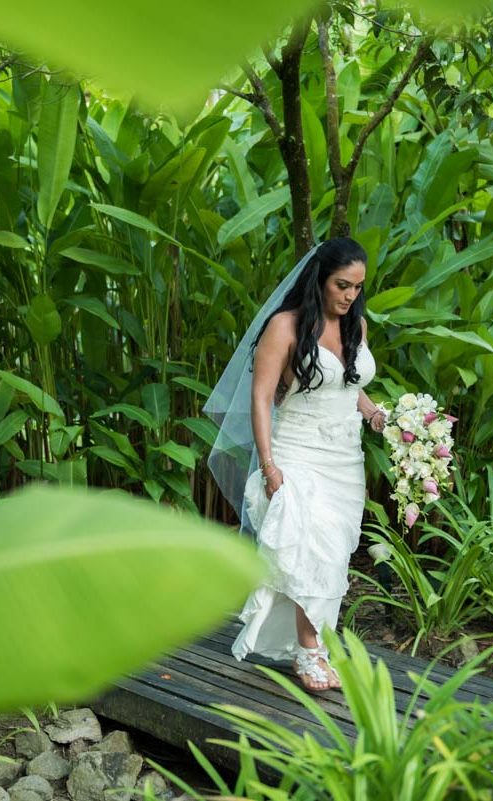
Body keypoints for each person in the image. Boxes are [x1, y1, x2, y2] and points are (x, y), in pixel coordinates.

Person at [204, 237, 385, 692]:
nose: (350, 296)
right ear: (319, 278)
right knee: (312, 549)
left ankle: (314, 645)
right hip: (297, 452)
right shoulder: (285, 327)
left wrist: (376, 414)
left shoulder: (355, 326)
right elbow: (261, 398)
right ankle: (311, 652)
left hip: (346, 459)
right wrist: (268, 466)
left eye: (358, 288)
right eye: (342, 285)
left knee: (336, 554)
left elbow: (347, 384)